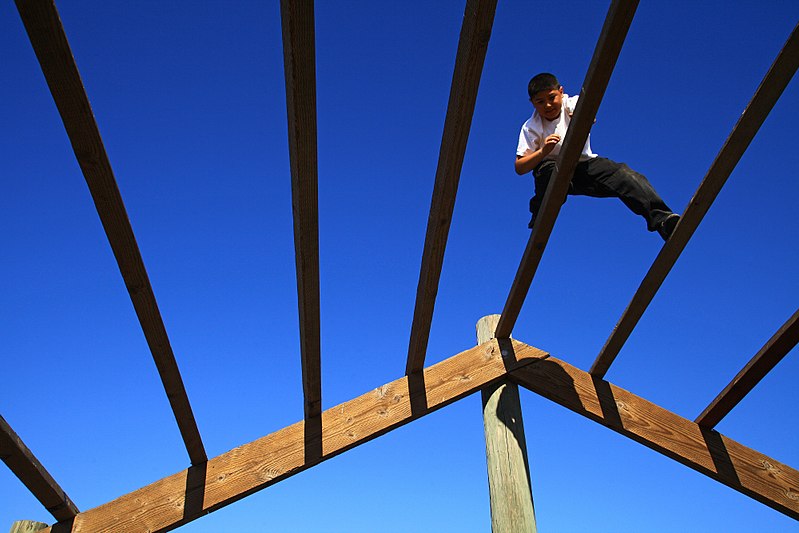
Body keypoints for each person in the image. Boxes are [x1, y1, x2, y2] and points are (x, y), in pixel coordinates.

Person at [515, 72, 679, 240]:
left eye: (552, 98)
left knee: (625, 176)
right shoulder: (531, 127)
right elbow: (520, 167)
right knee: (550, 174)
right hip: (550, 168)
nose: (548, 106)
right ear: (532, 104)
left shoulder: (571, 103)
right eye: (540, 102)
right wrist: (543, 151)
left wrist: (584, 118)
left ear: (561, 92)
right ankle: (541, 212)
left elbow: (588, 114)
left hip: (584, 166)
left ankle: (663, 221)